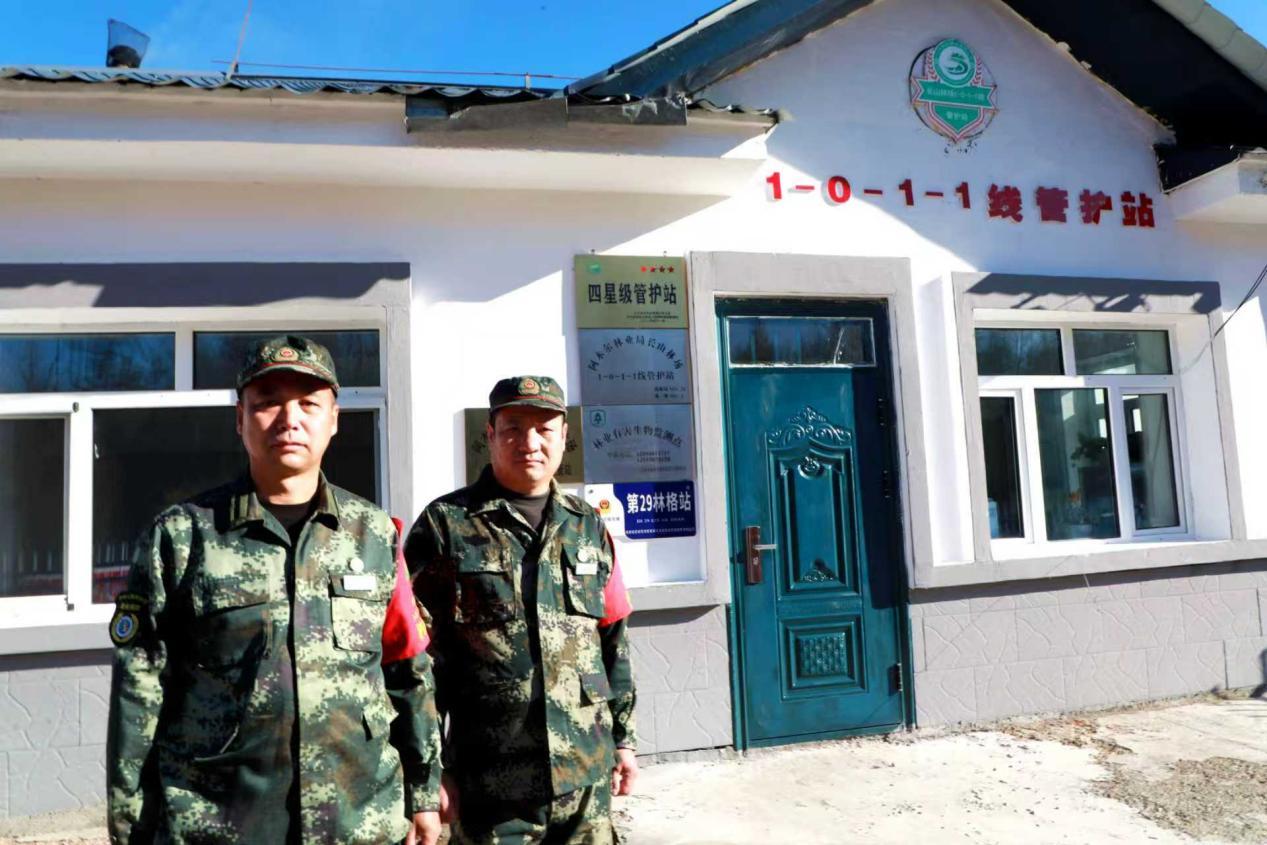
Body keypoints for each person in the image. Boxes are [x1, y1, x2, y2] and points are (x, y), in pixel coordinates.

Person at [106, 335, 442, 845]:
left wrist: (423, 792)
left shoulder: (375, 534)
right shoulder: (181, 536)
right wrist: (131, 822)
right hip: (220, 823)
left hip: (359, 818)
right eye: (268, 403)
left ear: (334, 419)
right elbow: (140, 687)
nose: (290, 419)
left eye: (308, 404)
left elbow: (407, 670)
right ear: (240, 419)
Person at [405, 375, 637, 845]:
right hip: (491, 786)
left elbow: (613, 638)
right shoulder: (445, 525)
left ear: (564, 437)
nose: (529, 442)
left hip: (585, 780)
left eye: (544, 429)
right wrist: (428, 775)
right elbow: (416, 662)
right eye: (513, 428)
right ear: (490, 435)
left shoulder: (587, 525)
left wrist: (624, 738)